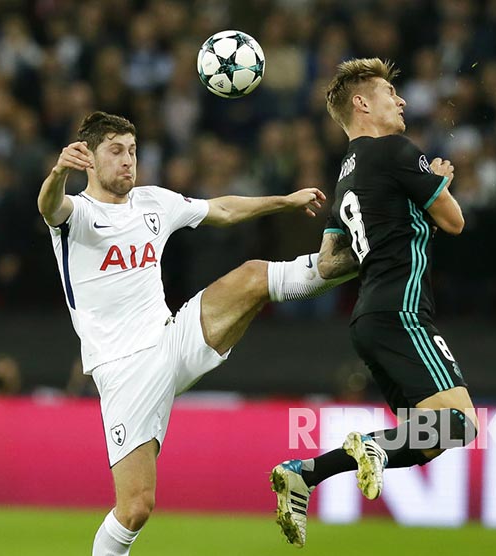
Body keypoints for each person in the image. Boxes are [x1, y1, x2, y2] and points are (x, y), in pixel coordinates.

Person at [37, 111, 353, 556]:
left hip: (171, 339)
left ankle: (351, 259)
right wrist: (57, 173)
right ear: (87, 158)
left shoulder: (152, 202)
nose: (129, 160)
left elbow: (221, 209)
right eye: (115, 151)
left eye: (132, 150)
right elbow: (50, 207)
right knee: (136, 508)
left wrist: (283, 200)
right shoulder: (79, 215)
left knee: (251, 277)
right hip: (124, 369)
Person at [269, 58, 479, 547]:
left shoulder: (345, 176)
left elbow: (327, 262)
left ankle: (306, 473)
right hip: (402, 310)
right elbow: (455, 222)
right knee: (459, 423)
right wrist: (440, 181)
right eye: (390, 92)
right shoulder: (397, 151)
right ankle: (370, 450)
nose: (401, 100)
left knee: (425, 441)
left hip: (367, 317)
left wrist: (385, 236)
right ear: (362, 103)